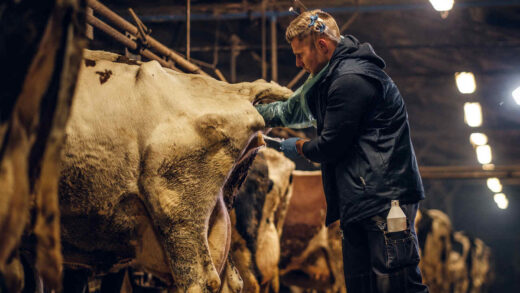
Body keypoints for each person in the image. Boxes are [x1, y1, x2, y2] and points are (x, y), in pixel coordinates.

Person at [255, 9, 429, 293]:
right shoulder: (330, 79)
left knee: (395, 285)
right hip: (361, 200)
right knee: (363, 286)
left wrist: (299, 147)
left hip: (385, 201)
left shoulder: (350, 79)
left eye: (300, 54)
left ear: (323, 45)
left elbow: (330, 146)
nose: (297, 63)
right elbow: (293, 109)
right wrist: (253, 113)